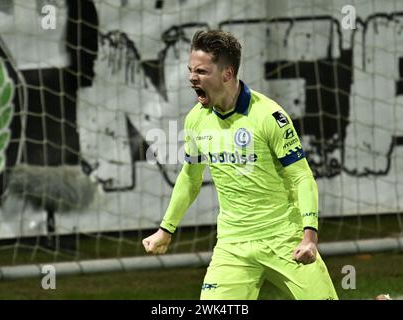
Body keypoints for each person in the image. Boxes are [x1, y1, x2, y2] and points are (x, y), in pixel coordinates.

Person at [142, 30, 338, 300]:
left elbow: (303, 177)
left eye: (201, 71)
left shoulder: (270, 116)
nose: (191, 78)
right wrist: (166, 230)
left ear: (226, 74)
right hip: (232, 245)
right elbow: (190, 178)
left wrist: (309, 237)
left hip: (284, 239)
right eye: (190, 70)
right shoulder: (195, 120)